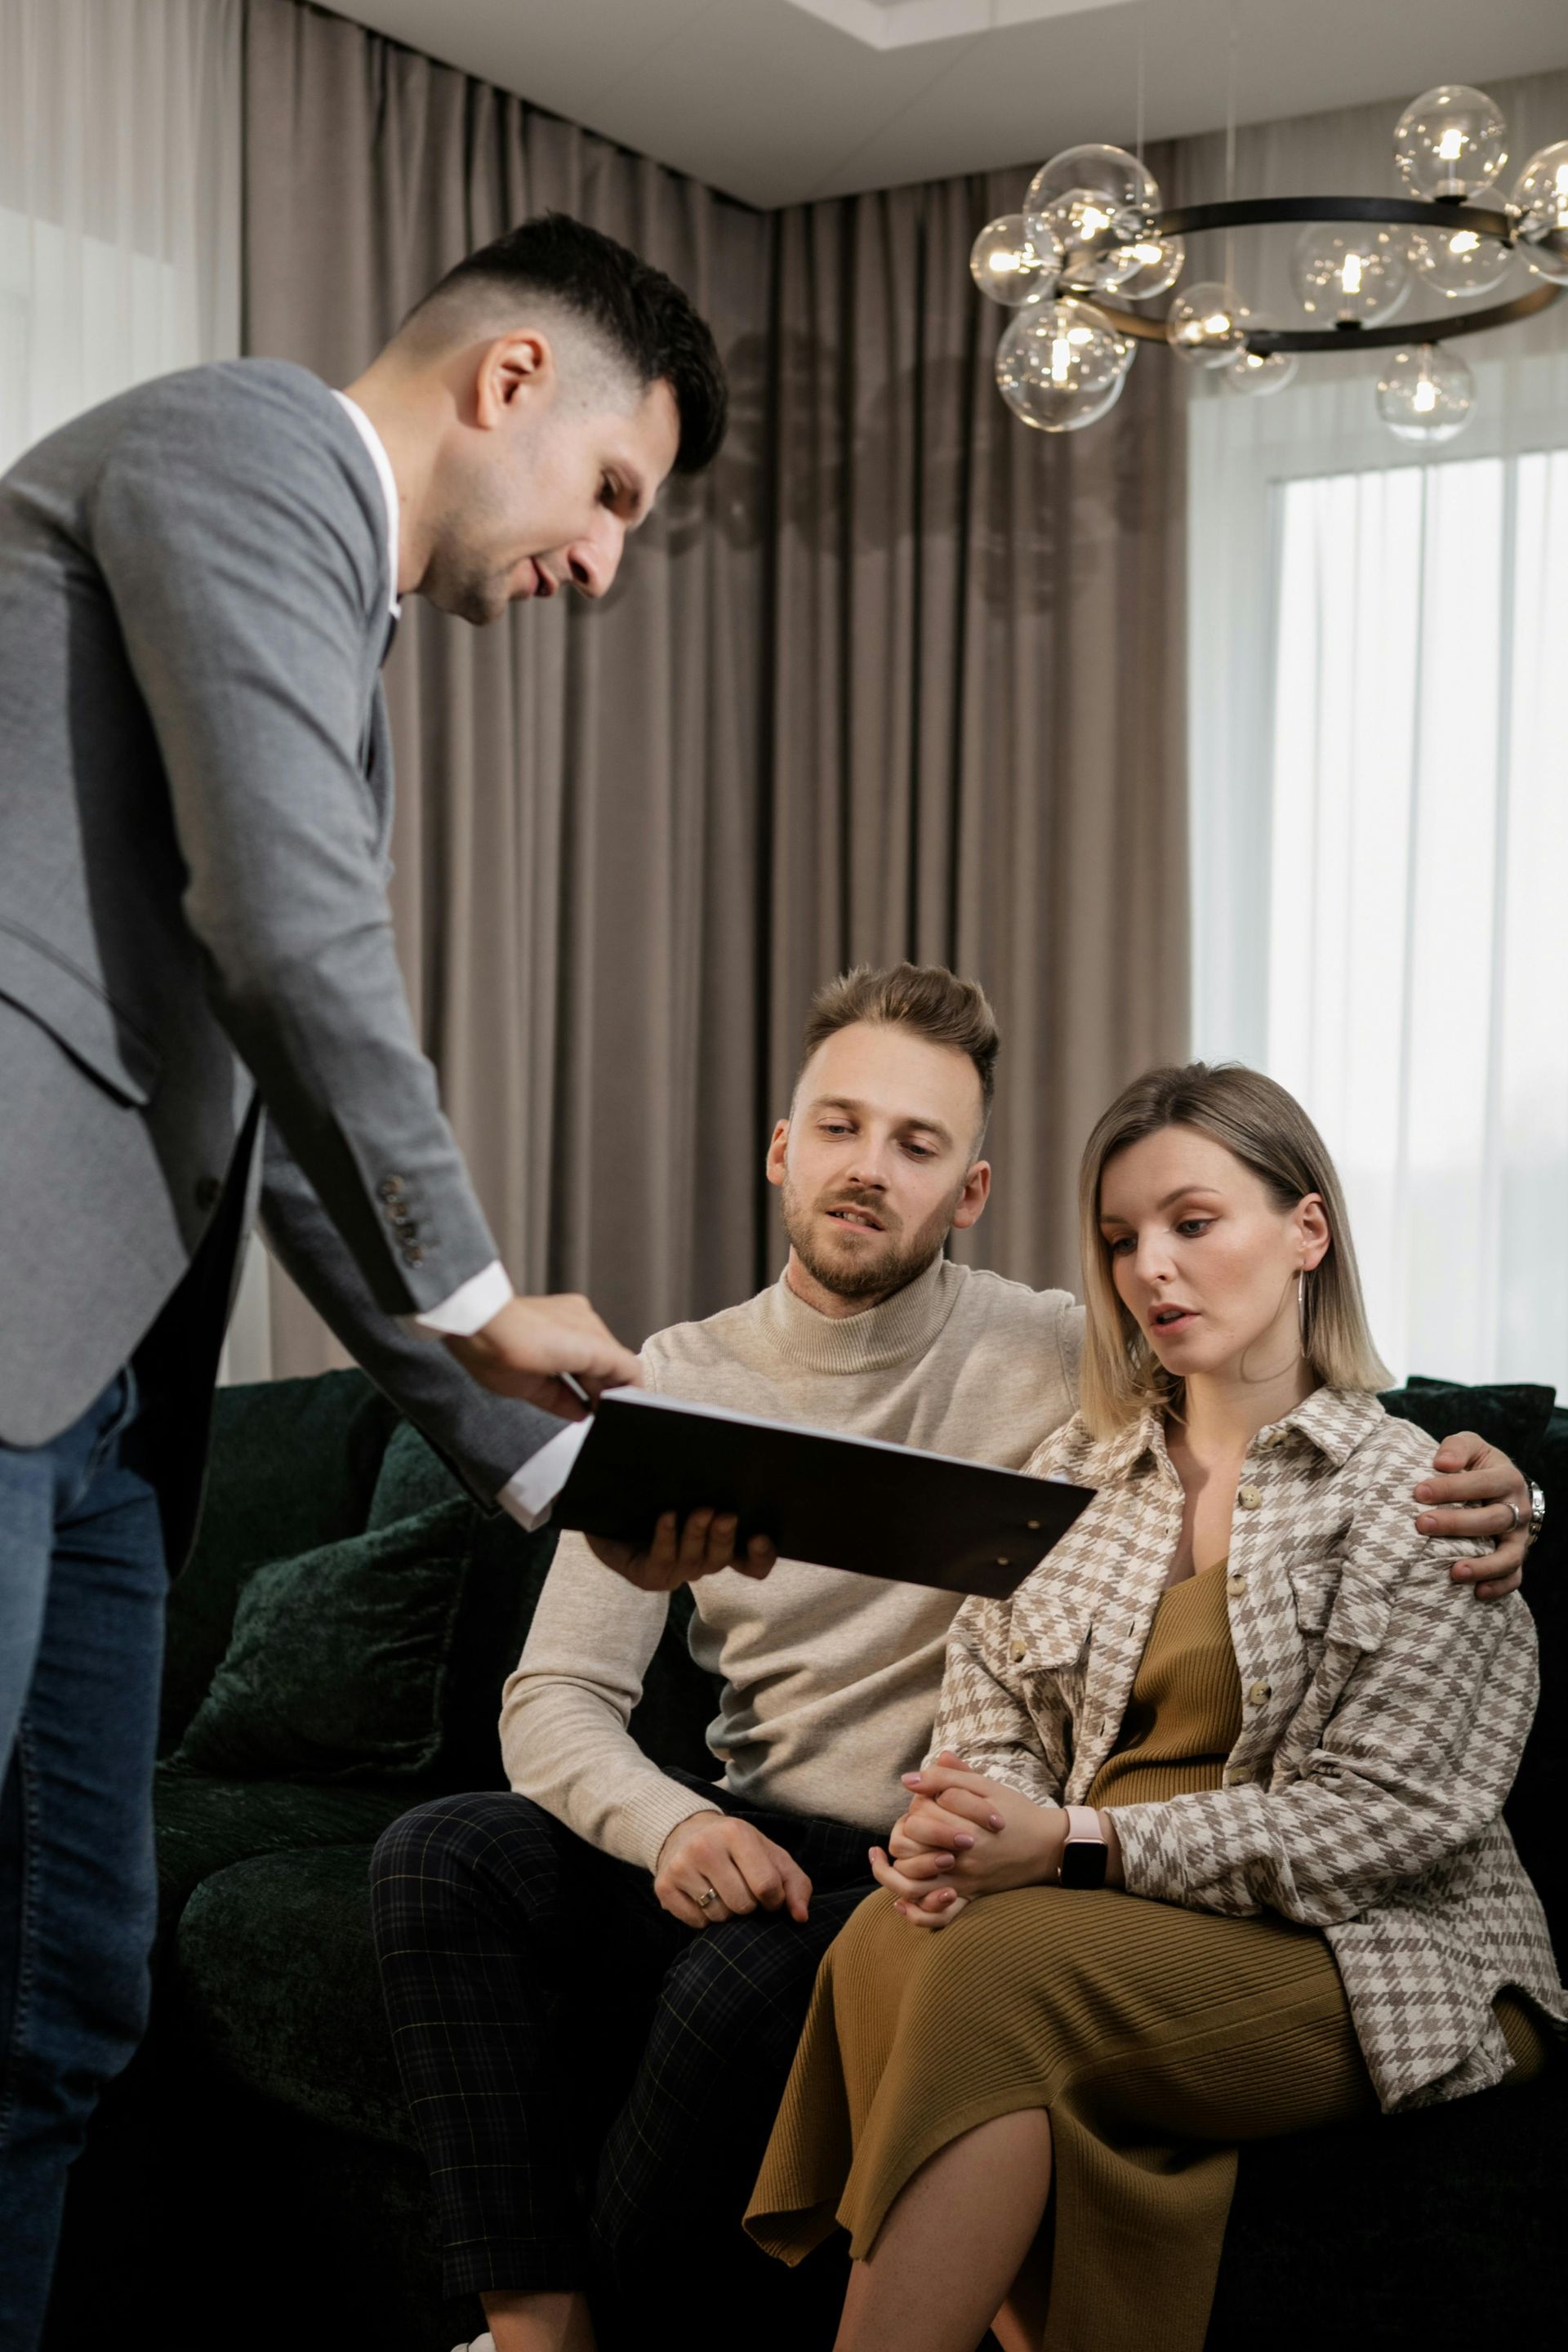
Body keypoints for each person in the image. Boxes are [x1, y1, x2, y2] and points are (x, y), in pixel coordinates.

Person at [368, 978, 1536, 2352]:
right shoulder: (678, 1384)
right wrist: (675, 1823)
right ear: (781, 1148)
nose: (870, 1168)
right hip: (793, 1831)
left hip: (941, 1855)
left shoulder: (1068, 1358)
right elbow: (559, 1697)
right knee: (434, 1856)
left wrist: (1516, 1494)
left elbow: (1333, 1419)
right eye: (841, 1127)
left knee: (789, 1978)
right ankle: (535, 2337)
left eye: (917, 1145)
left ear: (970, 1190)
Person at [0, 212, 728, 2349]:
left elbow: (280, 1104)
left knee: (67, 1989)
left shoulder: (332, 618)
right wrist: (491, 1279)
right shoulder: (242, 455)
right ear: (510, 380)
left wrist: (537, 1473)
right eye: (612, 495)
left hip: (108, 1404)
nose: (600, 565)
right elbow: (295, 941)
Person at [744, 1061, 1564, 2352]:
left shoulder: (1424, 1494)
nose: (1149, 1271)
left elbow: (1390, 1824)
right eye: (1123, 1240)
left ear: (1307, 1231)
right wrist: (966, 1820)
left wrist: (1077, 1845)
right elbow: (992, 1692)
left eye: (1194, 1223)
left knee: (995, 1972)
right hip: (1113, 1908)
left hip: (1378, 1947)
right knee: (885, 1939)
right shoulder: (1079, 1472)